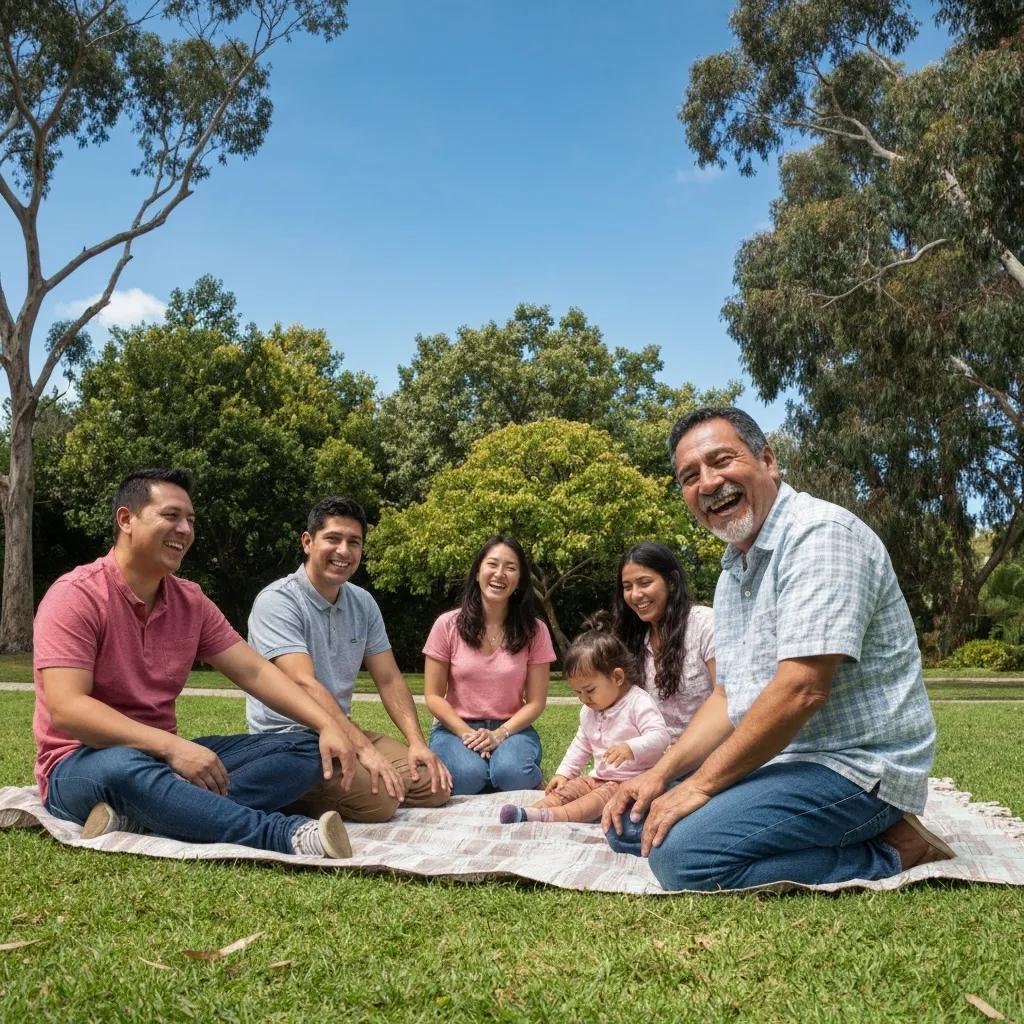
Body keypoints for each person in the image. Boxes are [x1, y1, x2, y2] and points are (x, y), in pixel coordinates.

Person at [602, 407, 952, 891]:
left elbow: (801, 691)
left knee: (683, 858)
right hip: (784, 762)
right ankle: (779, 825)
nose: (708, 483)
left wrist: (701, 786)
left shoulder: (820, 537)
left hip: (855, 769)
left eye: (722, 461)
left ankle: (892, 848)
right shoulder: (733, 573)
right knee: (631, 823)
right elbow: (728, 698)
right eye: (690, 476)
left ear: (767, 460)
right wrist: (659, 775)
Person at [34, 468, 354, 859]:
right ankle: (282, 835)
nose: (185, 529)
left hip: (163, 757)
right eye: (171, 516)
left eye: (190, 520)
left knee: (307, 747)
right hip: (81, 763)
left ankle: (155, 812)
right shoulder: (76, 595)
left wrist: (327, 724)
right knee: (124, 767)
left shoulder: (190, 601)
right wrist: (173, 749)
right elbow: (68, 709)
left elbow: (255, 671)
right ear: (126, 520)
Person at [246, 496, 451, 822]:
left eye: (353, 542)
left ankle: (341, 788)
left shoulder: (363, 603)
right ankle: (283, 795)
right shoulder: (278, 601)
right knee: (382, 802)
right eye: (333, 538)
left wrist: (416, 743)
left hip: (343, 729)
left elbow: (389, 678)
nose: (344, 550)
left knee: (433, 785)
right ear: (308, 542)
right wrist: (365, 750)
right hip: (291, 739)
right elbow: (303, 682)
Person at [499, 617, 670, 824]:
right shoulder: (589, 710)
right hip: (598, 777)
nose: (584, 699)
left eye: (589, 690)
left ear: (617, 677)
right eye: (578, 692)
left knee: (595, 802)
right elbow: (581, 745)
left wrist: (631, 747)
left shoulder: (638, 702)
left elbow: (660, 737)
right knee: (572, 788)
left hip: (629, 783)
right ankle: (529, 811)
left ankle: (553, 817)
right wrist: (564, 773)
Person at [423, 536, 555, 794]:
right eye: (492, 564)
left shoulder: (535, 630)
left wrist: (499, 734)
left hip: (512, 728)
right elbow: (433, 696)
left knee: (512, 774)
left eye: (510, 568)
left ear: (519, 580)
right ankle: (486, 774)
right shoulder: (447, 625)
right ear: (477, 572)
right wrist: (466, 734)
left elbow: (537, 702)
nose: (499, 574)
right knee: (467, 777)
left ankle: (509, 774)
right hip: (455, 728)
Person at [612, 542, 715, 740]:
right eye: (627, 587)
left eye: (644, 583)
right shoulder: (629, 637)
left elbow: (727, 702)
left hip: (704, 751)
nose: (635, 594)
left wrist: (681, 751)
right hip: (646, 755)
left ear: (672, 581)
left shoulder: (704, 624)